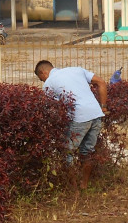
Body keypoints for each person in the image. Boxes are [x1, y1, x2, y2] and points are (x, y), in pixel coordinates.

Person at [34, 60, 108, 189]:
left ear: (43, 72)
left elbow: (53, 109)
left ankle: (73, 188)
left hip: (79, 118)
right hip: (96, 114)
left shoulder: (48, 84)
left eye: (41, 79)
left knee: (67, 153)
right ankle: (84, 184)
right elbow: (101, 82)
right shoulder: (77, 69)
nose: (42, 81)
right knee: (87, 152)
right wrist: (103, 107)